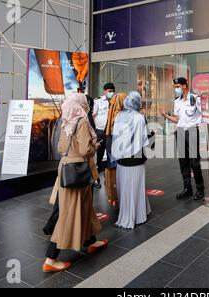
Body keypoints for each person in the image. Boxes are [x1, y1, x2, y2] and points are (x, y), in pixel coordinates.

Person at [43, 93, 108, 273]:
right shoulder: (82, 121)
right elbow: (85, 149)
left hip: (66, 168)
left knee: (84, 208)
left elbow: (60, 148)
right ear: (81, 105)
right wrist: (96, 145)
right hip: (79, 171)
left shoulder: (66, 122)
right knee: (69, 213)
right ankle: (51, 258)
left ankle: (92, 242)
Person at [160, 77, 205, 201]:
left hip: (191, 131)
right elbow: (177, 119)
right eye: (175, 87)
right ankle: (187, 189)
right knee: (183, 162)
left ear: (184, 86)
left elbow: (204, 115)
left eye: (177, 86)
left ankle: (200, 189)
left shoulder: (196, 99)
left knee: (194, 163)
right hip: (179, 132)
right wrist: (166, 116)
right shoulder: (177, 101)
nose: (176, 89)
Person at [112, 92, 151, 229]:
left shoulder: (118, 116)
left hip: (121, 159)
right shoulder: (140, 118)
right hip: (136, 158)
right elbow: (146, 141)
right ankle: (139, 214)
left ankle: (128, 213)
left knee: (124, 187)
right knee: (137, 186)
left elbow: (115, 137)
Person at [105, 93, 127, 208]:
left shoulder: (112, 112)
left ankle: (113, 196)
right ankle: (118, 195)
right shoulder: (120, 115)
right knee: (118, 172)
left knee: (112, 170)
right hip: (119, 149)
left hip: (111, 146)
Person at [93, 83, 116, 173]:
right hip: (100, 132)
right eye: (110, 91)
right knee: (99, 153)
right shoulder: (98, 101)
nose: (112, 93)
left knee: (110, 153)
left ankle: (110, 174)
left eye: (113, 91)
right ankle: (97, 172)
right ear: (105, 91)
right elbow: (94, 115)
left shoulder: (115, 101)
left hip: (110, 132)